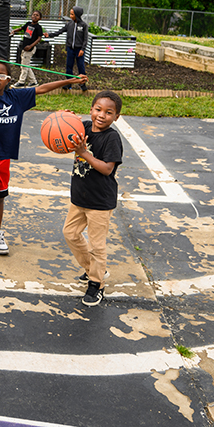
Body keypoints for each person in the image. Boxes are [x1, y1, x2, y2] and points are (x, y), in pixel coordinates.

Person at [0, 59, 82, 253]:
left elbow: (42, 88)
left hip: (4, 155)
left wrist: (68, 81)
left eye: (2, 75)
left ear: (9, 80)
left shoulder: (17, 98)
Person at [63, 90, 124, 308]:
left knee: (97, 245)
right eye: (98, 109)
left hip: (100, 201)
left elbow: (107, 169)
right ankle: (93, 268)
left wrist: (84, 153)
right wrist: (66, 118)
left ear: (116, 117)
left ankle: (96, 283)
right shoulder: (86, 128)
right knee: (70, 233)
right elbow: (68, 130)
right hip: (80, 197)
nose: (102, 115)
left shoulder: (112, 138)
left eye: (109, 112)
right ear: (91, 110)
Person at [47, 6, 89, 91]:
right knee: (69, 66)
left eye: (72, 14)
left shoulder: (83, 25)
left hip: (79, 50)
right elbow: (60, 31)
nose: (70, 15)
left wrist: (82, 49)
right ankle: (68, 83)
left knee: (81, 66)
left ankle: (82, 83)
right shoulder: (69, 24)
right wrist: (50, 35)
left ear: (77, 15)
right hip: (70, 49)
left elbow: (85, 39)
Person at [12, 10, 44, 88]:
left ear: (40, 18)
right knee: (25, 65)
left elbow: (39, 38)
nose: (34, 16)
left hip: (29, 49)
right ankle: (33, 82)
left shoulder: (38, 27)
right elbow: (21, 28)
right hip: (24, 48)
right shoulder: (28, 24)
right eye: (33, 14)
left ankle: (21, 82)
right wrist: (13, 31)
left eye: (37, 15)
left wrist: (31, 46)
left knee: (24, 66)